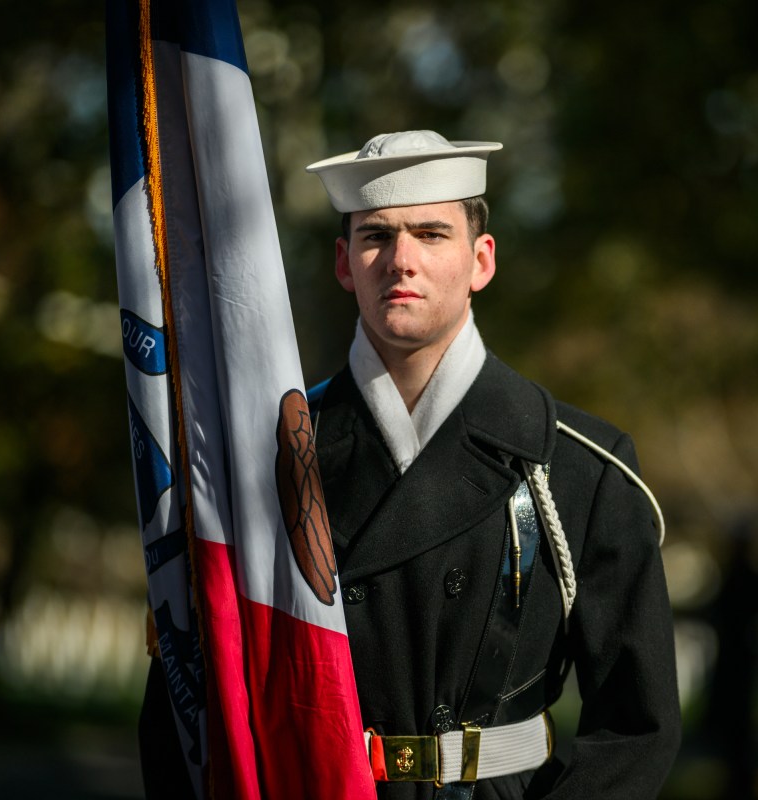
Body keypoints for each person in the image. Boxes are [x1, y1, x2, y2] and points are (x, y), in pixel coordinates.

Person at [139, 131, 681, 799]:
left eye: (431, 234)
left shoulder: (579, 467)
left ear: (481, 260)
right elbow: (188, 693)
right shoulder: (263, 459)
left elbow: (637, 728)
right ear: (343, 263)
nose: (401, 260)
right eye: (375, 236)